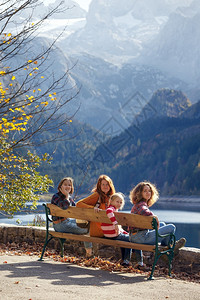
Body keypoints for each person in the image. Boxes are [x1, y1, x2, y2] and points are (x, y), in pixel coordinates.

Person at [129, 181, 186, 255]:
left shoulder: (137, 204)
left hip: (134, 237)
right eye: (145, 191)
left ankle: (167, 246)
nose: (148, 193)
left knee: (162, 224)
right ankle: (169, 246)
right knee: (171, 227)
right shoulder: (141, 205)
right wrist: (154, 216)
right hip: (141, 238)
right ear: (139, 193)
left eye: (149, 191)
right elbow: (144, 211)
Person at [76, 174, 116, 257]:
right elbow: (79, 204)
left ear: (110, 185)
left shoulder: (111, 197)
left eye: (107, 184)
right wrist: (92, 208)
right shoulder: (97, 195)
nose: (105, 186)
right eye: (103, 184)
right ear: (99, 186)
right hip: (99, 230)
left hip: (105, 228)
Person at [51, 177, 91, 255]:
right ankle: (89, 254)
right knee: (88, 230)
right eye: (65, 184)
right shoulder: (56, 197)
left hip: (67, 222)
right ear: (60, 186)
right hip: (60, 225)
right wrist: (66, 196)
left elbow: (75, 210)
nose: (67, 186)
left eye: (69, 185)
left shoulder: (69, 198)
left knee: (89, 224)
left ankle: (89, 252)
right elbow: (64, 206)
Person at [101, 192, 134, 266]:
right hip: (113, 235)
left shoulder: (114, 210)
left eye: (121, 202)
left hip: (107, 235)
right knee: (130, 240)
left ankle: (123, 259)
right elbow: (109, 212)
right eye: (117, 201)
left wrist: (125, 233)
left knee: (125, 239)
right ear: (111, 201)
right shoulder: (111, 209)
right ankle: (126, 261)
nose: (119, 204)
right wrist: (115, 223)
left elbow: (119, 229)